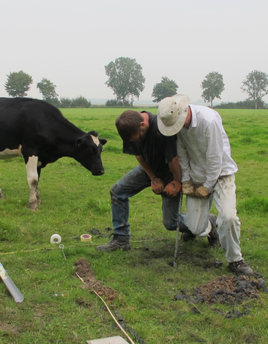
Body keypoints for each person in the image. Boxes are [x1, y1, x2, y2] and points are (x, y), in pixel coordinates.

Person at [157, 94, 254, 276]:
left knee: (228, 217)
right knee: (194, 227)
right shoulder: (177, 126)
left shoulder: (208, 121)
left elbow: (215, 157)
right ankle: (209, 224)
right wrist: (186, 180)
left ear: (184, 111)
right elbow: (182, 154)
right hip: (196, 175)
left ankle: (236, 260)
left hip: (221, 174)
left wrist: (208, 186)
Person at [96, 109, 184, 251]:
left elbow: (174, 160)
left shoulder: (162, 128)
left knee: (171, 223)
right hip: (149, 167)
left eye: (139, 136)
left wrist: (176, 182)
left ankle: (204, 224)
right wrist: (153, 178)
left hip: (171, 172)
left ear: (142, 124)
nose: (136, 140)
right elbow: (139, 156)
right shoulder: (129, 129)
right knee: (117, 191)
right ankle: (121, 240)